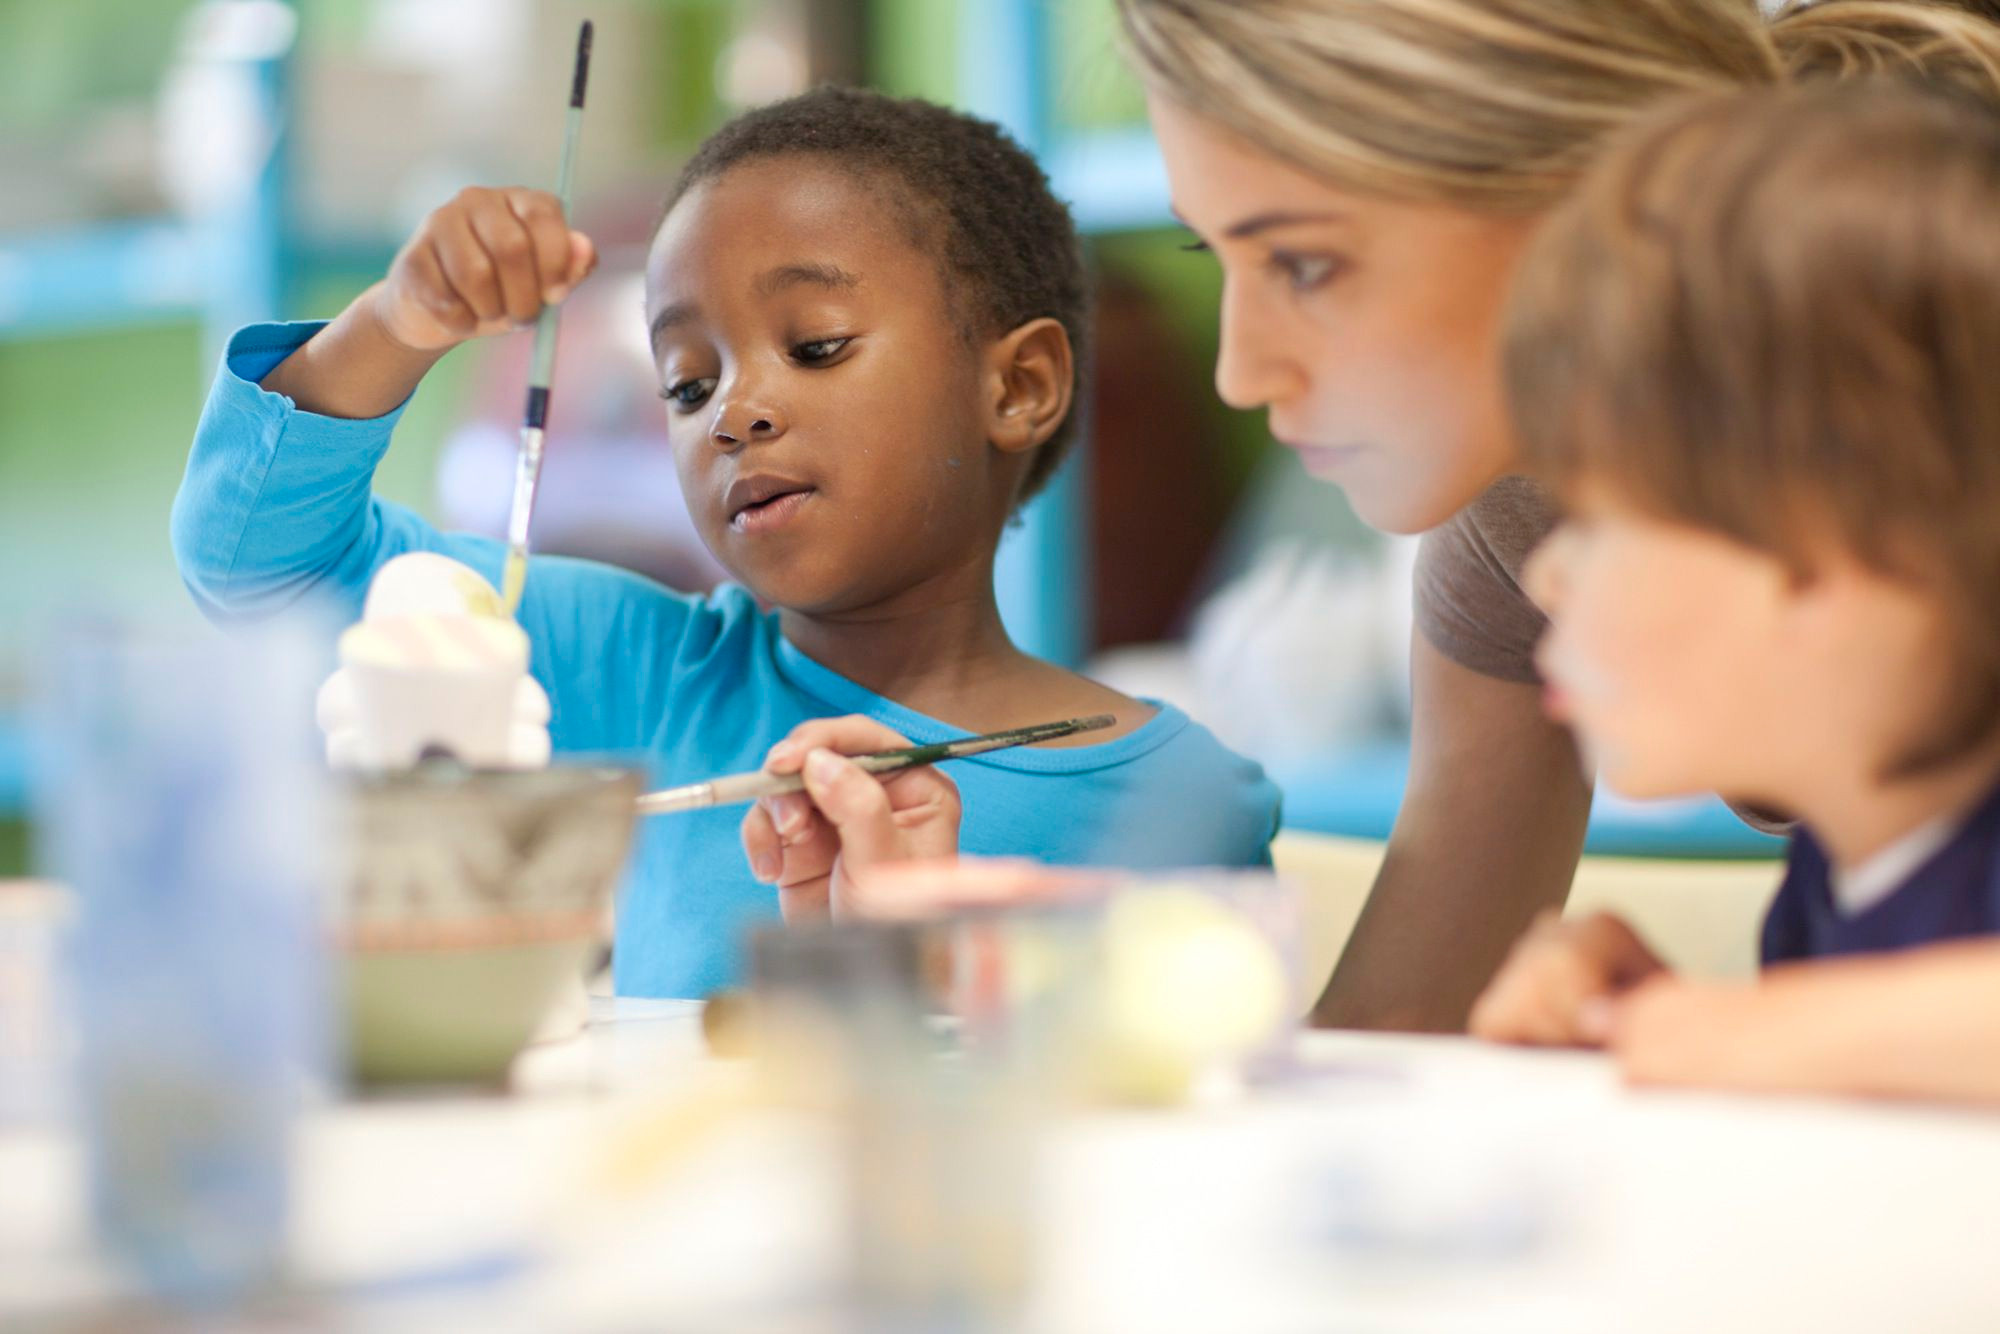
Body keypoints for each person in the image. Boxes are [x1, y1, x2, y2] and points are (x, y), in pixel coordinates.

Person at [759, 0, 2000, 1031]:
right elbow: (1403, 1034)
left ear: (1584, 193)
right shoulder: (1508, 522)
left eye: (1302, 262)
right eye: (1212, 258)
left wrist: (1713, 1034)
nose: (1238, 372)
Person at [169, 86, 1280, 999]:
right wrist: (397, 322)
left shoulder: (1181, 798)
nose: (732, 414)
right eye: (687, 384)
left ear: (1017, 386)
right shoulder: (638, 669)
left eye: (816, 345)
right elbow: (265, 568)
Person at [1470, 82, 2000, 1107]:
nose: (1544, 575)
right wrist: (1658, 1013)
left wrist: (1772, 1030)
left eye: (1597, 519)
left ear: (1824, 563)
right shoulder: (1839, 870)